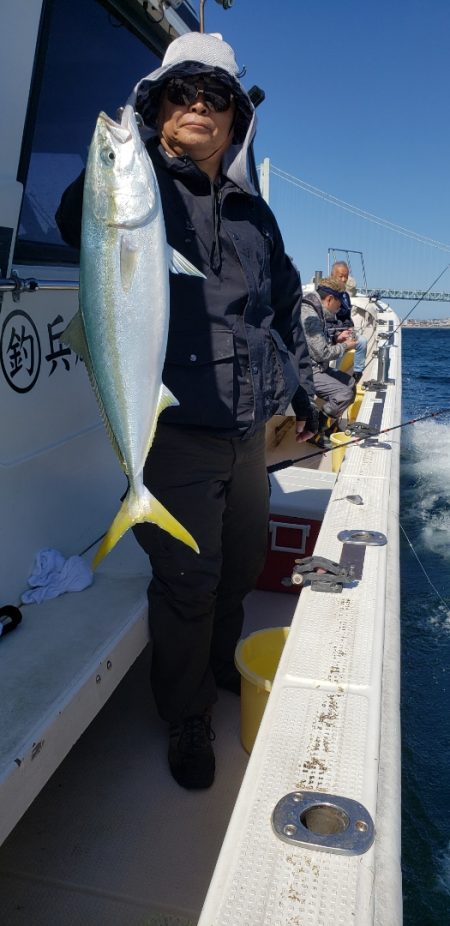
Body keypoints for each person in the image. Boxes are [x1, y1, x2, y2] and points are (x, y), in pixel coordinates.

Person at [55, 31, 318, 790]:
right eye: (181, 93)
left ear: (237, 119)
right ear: (157, 108)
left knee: (238, 567)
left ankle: (216, 667)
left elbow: (281, 306)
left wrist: (301, 392)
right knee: (185, 584)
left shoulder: (254, 216)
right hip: (172, 433)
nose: (199, 106)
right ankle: (186, 711)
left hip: (246, 431)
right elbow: (81, 217)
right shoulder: (135, 189)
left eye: (216, 96)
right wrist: (127, 144)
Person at [301, 277, 357, 447]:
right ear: (329, 299)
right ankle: (314, 430)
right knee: (344, 394)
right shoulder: (309, 315)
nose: (340, 309)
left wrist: (336, 338)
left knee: (350, 383)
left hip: (316, 365)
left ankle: (329, 426)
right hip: (304, 370)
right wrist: (345, 346)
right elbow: (322, 353)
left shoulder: (316, 309)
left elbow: (317, 344)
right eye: (339, 304)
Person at [328, 261, 367, 382]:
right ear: (332, 276)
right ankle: (334, 376)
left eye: (346, 276)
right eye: (341, 276)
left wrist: (350, 328)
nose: (344, 279)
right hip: (331, 333)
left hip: (344, 331)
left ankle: (357, 373)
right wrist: (337, 333)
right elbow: (328, 319)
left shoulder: (345, 295)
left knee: (362, 342)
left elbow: (346, 317)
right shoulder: (326, 295)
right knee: (341, 349)